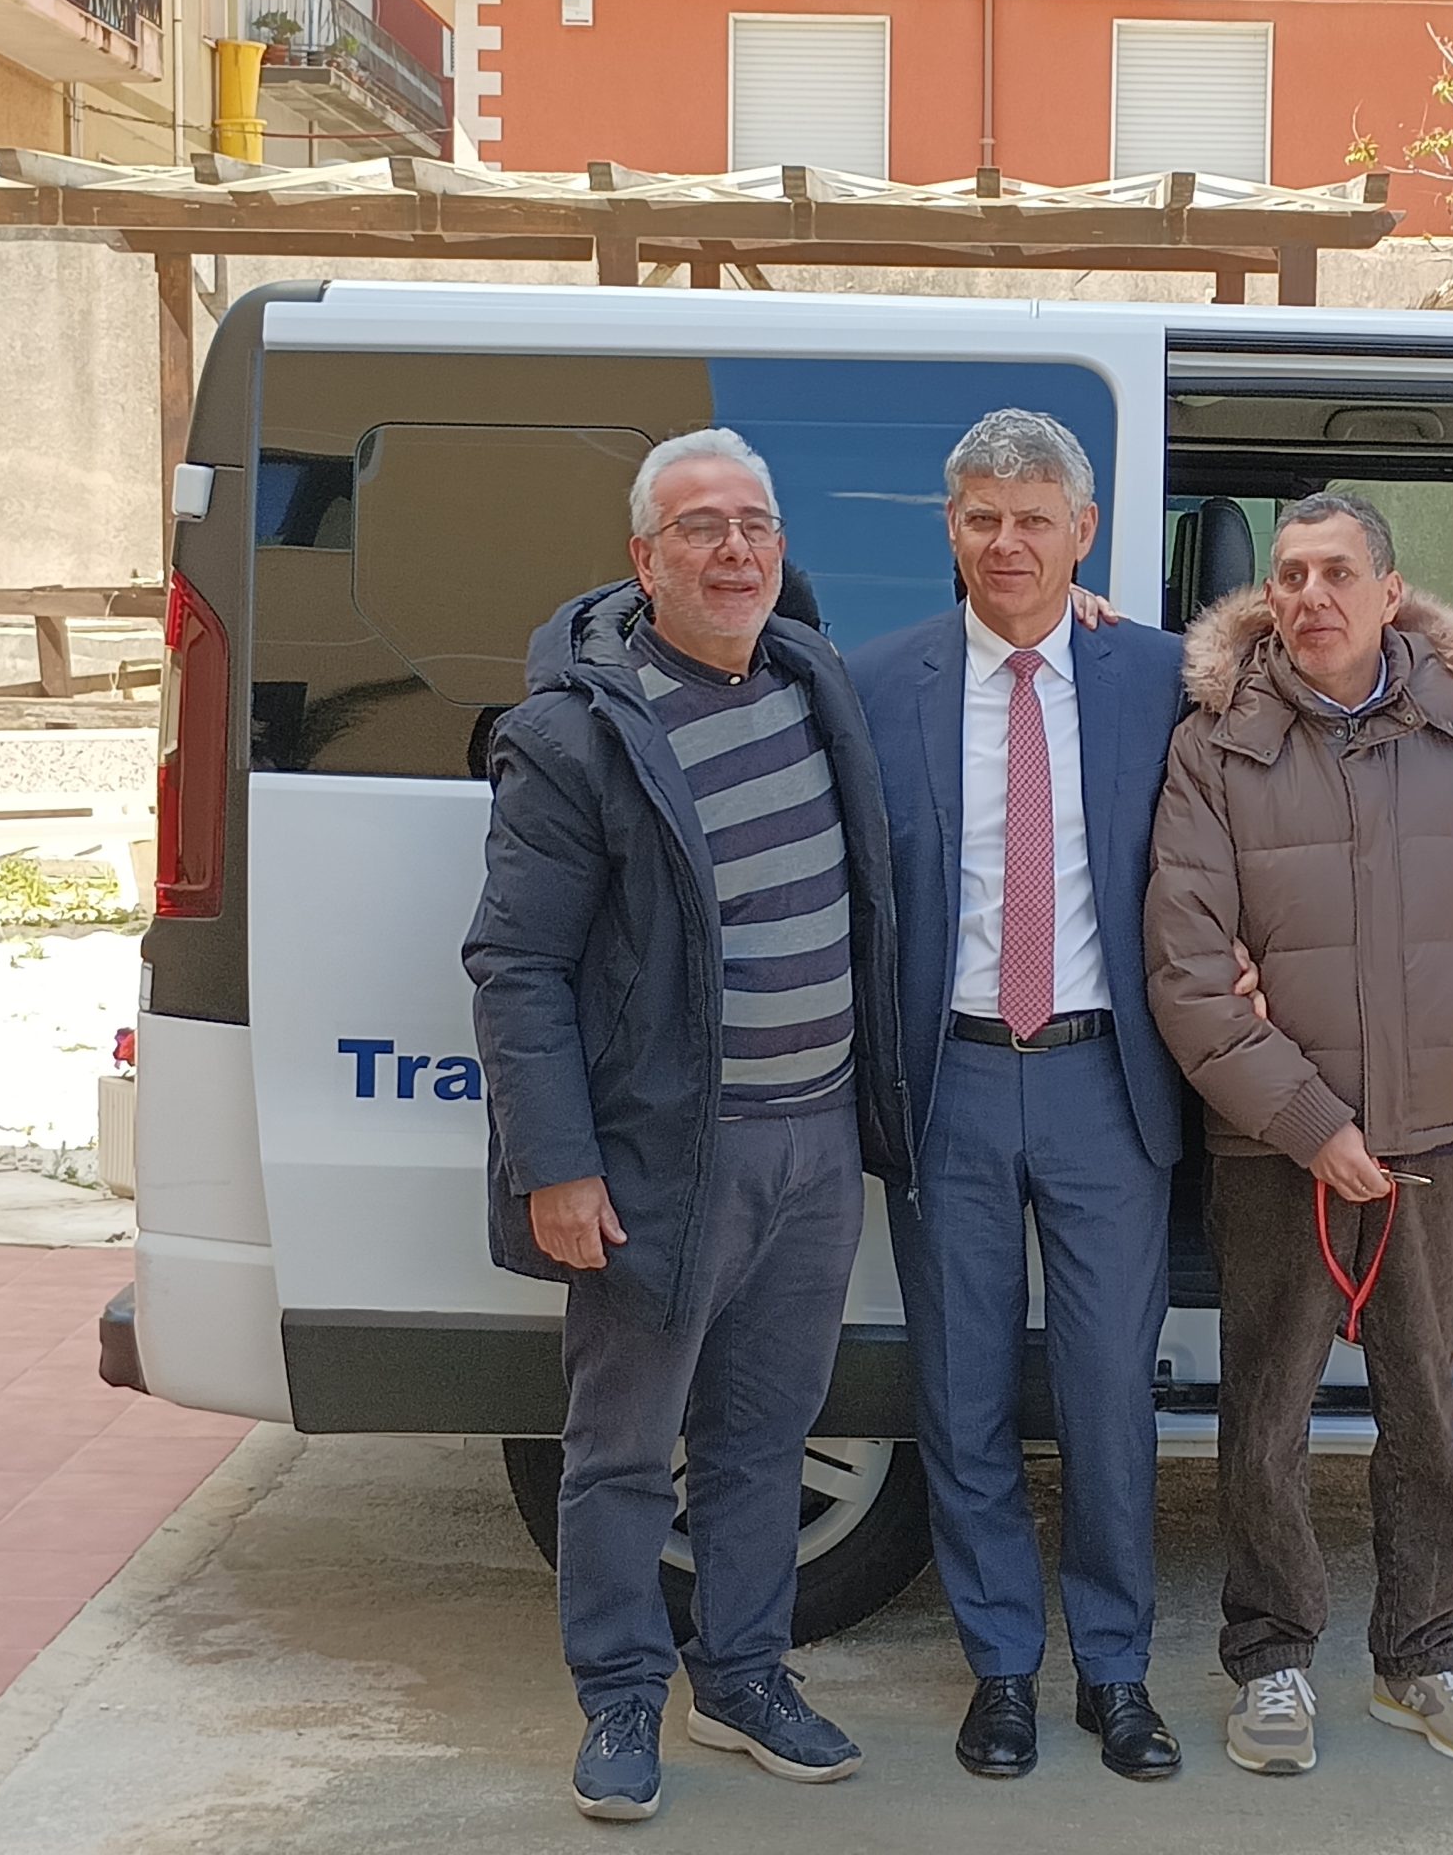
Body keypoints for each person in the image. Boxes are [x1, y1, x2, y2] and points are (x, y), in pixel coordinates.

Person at [463, 428, 911, 1822]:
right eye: (701, 527)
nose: (734, 550)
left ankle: (744, 1678)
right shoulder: (576, 736)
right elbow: (516, 966)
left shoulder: (811, 678)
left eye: (755, 524)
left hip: (816, 1147)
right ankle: (618, 1699)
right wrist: (557, 1166)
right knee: (619, 1451)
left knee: (764, 1437)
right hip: (669, 1159)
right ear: (643, 559)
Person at [1144, 489, 1453, 1777]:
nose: (1311, 596)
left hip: (1438, 1133)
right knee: (1266, 1412)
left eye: (1338, 573)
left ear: (1391, 594)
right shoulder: (1213, 749)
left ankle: (1424, 1657)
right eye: (1290, 575)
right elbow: (1188, 975)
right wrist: (1310, 1123)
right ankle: (1272, 1660)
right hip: (1276, 1146)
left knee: (1423, 1407)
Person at [846, 409, 1189, 1783]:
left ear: (1083, 533)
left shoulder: (1156, 674)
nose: (1007, 543)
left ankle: (1115, 1672)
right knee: (962, 1392)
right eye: (983, 517)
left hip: (1109, 1085)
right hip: (954, 1086)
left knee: (1109, 1396)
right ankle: (1000, 1668)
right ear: (951, 527)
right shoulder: (880, 681)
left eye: (1035, 519)